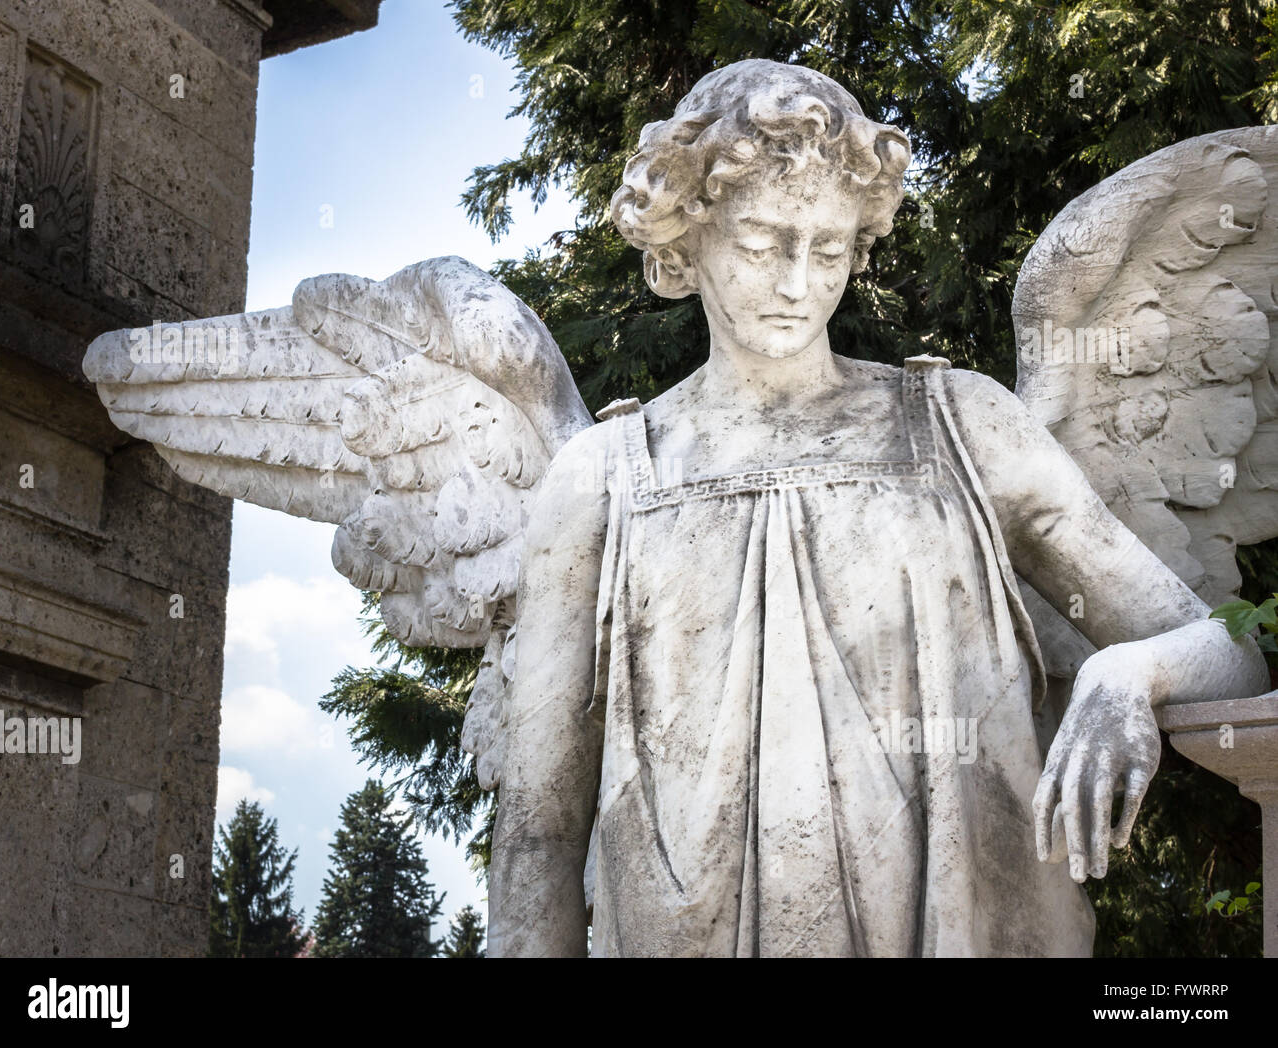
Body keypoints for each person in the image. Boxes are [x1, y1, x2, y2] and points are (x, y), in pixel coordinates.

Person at [485, 60, 1269, 957]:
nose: (795, 282)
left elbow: (1235, 658)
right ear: (687, 236)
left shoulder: (964, 427)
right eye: (760, 244)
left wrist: (1128, 675)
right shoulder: (603, 478)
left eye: (827, 249)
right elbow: (540, 836)